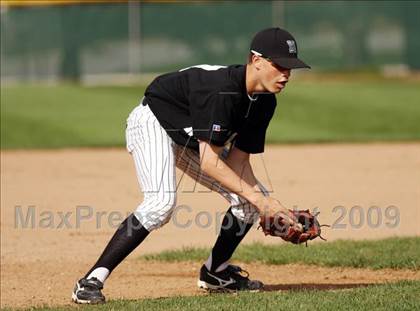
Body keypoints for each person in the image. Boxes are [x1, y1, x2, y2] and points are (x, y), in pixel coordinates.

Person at [72, 27, 310, 304]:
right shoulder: (222, 90)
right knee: (160, 203)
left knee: (249, 202)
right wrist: (261, 200)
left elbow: (238, 162)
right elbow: (210, 163)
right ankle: (89, 281)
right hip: (154, 122)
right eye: (280, 66)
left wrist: (270, 206)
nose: (286, 75)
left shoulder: (264, 102)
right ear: (256, 60)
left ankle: (215, 273)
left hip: (190, 139)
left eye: (291, 68)